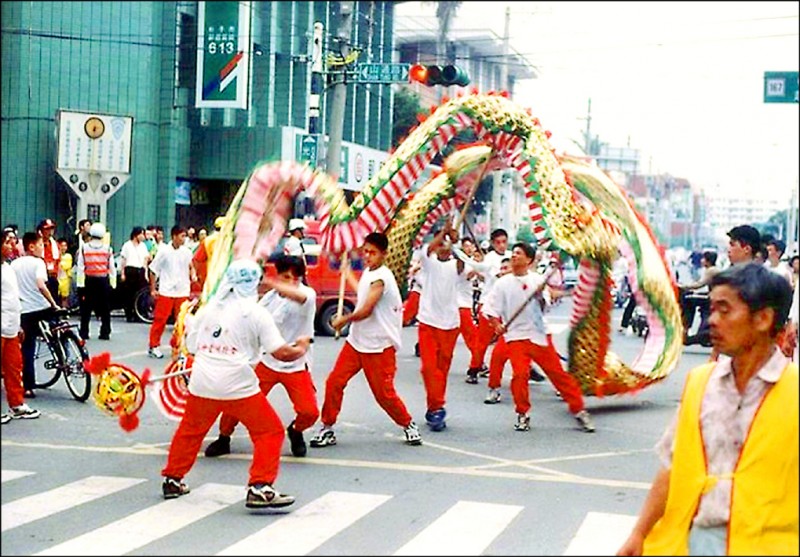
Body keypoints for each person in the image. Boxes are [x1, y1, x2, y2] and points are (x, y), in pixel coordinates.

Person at [617, 264, 796, 556]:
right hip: (693, 540)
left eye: (724, 310)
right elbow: (672, 465)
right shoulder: (700, 382)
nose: (711, 320)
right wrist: (639, 533)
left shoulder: (794, 393)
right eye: (712, 309)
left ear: (763, 319)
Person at [160, 259, 312, 508]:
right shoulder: (256, 313)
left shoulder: (208, 309)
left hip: (203, 380)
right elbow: (281, 353)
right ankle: (260, 485)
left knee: (190, 431)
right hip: (237, 383)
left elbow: (193, 346)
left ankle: (173, 479)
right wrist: (302, 347)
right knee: (269, 431)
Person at [309, 232, 422, 448]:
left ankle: (408, 424)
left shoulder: (382, 278)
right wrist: (346, 272)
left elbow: (367, 309)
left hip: (379, 346)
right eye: (366, 251)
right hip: (357, 342)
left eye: (373, 253)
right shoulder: (370, 273)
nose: (368, 256)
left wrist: (345, 319)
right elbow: (361, 292)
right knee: (334, 382)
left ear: (384, 254)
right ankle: (327, 427)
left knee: (384, 395)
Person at [204, 255, 319, 458]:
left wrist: (264, 280)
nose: (290, 281)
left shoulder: (307, 295)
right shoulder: (270, 298)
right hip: (267, 360)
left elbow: (297, 296)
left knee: (309, 412)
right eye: (285, 276)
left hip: (295, 362)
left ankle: (296, 430)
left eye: (295, 278)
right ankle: (224, 438)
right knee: (237, 399)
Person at [482, 242, 595, 433]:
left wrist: (540, 297)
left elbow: (545, 306)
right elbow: (490, 308)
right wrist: (497, 325)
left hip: (539, 335)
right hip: (516, 336)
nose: (514, 256)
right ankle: (522, 413)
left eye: (518, 253)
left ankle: (579, 410)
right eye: (513, 253)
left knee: (558, 375)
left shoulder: (537, 281)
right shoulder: (503, 283)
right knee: (520, 375)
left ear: (529, 260)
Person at [415, 218, 464, 432]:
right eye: (441, 244)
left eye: (447, 244)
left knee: (441, 370)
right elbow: (428, 249)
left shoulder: (456, 264)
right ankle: (437, 407)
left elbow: (463, 265)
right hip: (428, 321)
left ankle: (434, 406)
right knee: (428, 368)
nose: (443, 247)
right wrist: (442, 233)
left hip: (450, 324)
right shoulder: (428, 262)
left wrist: (457, 242)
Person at [10, 232, 60, 398]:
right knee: (57, 325)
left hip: (25, 311)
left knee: (28, 347)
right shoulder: (38, 262)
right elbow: (41, 285)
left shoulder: (14, 265)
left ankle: (28, 387)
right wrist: (53, 303)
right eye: (40, 245)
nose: (42, 248)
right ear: (31, 246)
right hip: (42, 307)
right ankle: (62, 354)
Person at [1, 229, 41, 423]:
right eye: (7, 242)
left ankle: (17, 405)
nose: (11, 246)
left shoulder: (8, 268)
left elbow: (12, 299)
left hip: (11, 328)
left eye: (12, 242)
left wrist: (18, 326)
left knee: (14, 369)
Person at [465, 228, 509, 383]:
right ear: (492, 243)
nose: (502, 246)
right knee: (482, 340)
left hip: (507, 305)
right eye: (498, 242)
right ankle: (474, 369)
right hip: (490, 304)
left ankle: (528, 369)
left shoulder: (511, 256)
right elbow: (498, 275)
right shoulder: (489, 258)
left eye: (504, 242)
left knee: (516, 338)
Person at [148, 225, 196, 359]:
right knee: (160, 319)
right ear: (174, 236)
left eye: (185, 236)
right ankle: (154, 346)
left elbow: (190, 266)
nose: (184, 239)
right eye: (182, 236)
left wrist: (193, 274)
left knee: (182, 321)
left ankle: (179, 348)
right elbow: (153, 270)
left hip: (182, 290)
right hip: (166, 291)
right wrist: (153, 289)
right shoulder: (164, 251)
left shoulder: (187, 251)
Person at [76, 223, 116, 341]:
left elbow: (80, 267)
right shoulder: (108, 249)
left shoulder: (84, 247)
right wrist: (113, 284)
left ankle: (84, 332)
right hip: (103, 281)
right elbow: (111, 268)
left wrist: (80, 284)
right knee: (105, 308)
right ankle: (105, 331)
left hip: (89, 281)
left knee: (86, 308)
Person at [679, 251, 720, 346]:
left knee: (687, 299)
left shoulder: (711, 270)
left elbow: (700, 284)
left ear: (707, 261)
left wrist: (684, 287)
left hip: (712, 298)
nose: (701, 261)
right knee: (691, 296)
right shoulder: (712, 269)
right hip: (712, 295)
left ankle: (686, 326)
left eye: (703, 258)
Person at [119, 226, 151, 322]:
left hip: (140, 270)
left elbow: (145, 260)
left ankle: (139, 314)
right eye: (141, 234)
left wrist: (145, 273)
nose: (143, 236)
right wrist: (122, 273)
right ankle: (129, 314)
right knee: (129, 293)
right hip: (130, 270)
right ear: (135, 235)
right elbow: (123, 260)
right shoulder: (127, 245)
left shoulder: (143, 246)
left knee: (140, 293)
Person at [37, 218, 61, 302]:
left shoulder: (55, 245)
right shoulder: (37, 245)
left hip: (53, 278)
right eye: (47, 229)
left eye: (51, 228)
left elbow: (58, 261)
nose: (50, 231)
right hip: (41, 278)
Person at [56, 237, 73, 309]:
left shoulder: (68, 256)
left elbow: (65, 266)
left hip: (64, 279)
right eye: (61, 245)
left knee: (64, 297)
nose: (63, 248)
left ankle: (64, 311)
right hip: (56, 278)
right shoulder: (55, 256)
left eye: (65, 246)